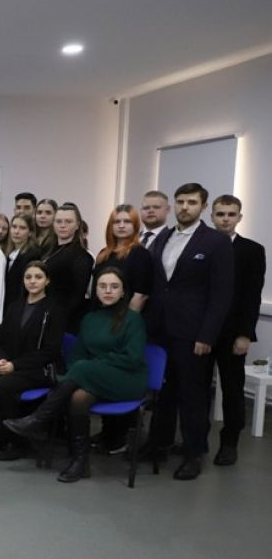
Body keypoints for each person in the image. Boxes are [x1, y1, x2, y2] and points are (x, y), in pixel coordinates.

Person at [4, 266, 148, 483]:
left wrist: (92, 367)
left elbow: (132, 358)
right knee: (78, 397)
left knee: (81, 369)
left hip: (127, 379)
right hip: (93, 377)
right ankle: (80, 462)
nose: (108, 291)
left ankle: (38, 419)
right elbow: (77, 355)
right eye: (102, 286)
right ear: (95, 290)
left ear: (123, 291)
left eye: (114, 286)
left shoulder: (133, 319)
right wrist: (88, 368)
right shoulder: (89, 319)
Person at [145, 183, 234, 480]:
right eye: (181, 201)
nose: (185, 207)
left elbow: (221, 295)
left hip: (192, 333)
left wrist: (207, 335)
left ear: (203, 207)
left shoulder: (216, 242)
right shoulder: (165, 237)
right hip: (160, 329)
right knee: (162, 392)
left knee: (192, 395)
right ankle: (158, 444)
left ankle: (193, 453)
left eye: (192, 202)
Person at [0, 261, 65, 461]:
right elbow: (1, 342)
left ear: (47, 281)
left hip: (37, 369)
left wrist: (15, 365)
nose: (33, 281)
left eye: (38, 277)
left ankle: (10, 440)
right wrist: (0, 359)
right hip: (9, 363)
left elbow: (50, 351)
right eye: (28, 277)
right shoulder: (14, 307)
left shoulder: (54, 310)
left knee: (0, 386)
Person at [207, 194, 265, 466]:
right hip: (203, 330)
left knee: (232, 389)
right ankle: (196, 440)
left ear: (239, 217)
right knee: (197, 388)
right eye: (220, 214)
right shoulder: (202, 246)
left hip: (233, 333)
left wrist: (244, 334)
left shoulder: (252, 250)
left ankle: (230, 443)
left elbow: (252, 296)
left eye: (231, 214)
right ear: (212, 217)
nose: (225, 219)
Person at [40, 203, 93, 332]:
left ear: (77, 225)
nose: (62, 225)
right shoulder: (47, 250)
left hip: (63, 321)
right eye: (58, 221)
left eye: (68, 221)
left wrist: (56, 318)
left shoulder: (82, 256)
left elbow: (77, 297)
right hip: (42, 313)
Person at [95, 204, 153, 313]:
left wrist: (126, 320)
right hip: (99, 314)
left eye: (127, 221)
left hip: (125, 317)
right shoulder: (103, 254)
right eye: (117, 222)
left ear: (135, 225)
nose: (121, 226)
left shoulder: (141, 254)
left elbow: (140, 295)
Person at [3, 213, 41, 311]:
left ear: (30, 232)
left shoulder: (32, 254)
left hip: (20, 307)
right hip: (7, 305)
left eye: (22, 228)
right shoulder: (9, 252)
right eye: (14, 227)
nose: (16, 231)